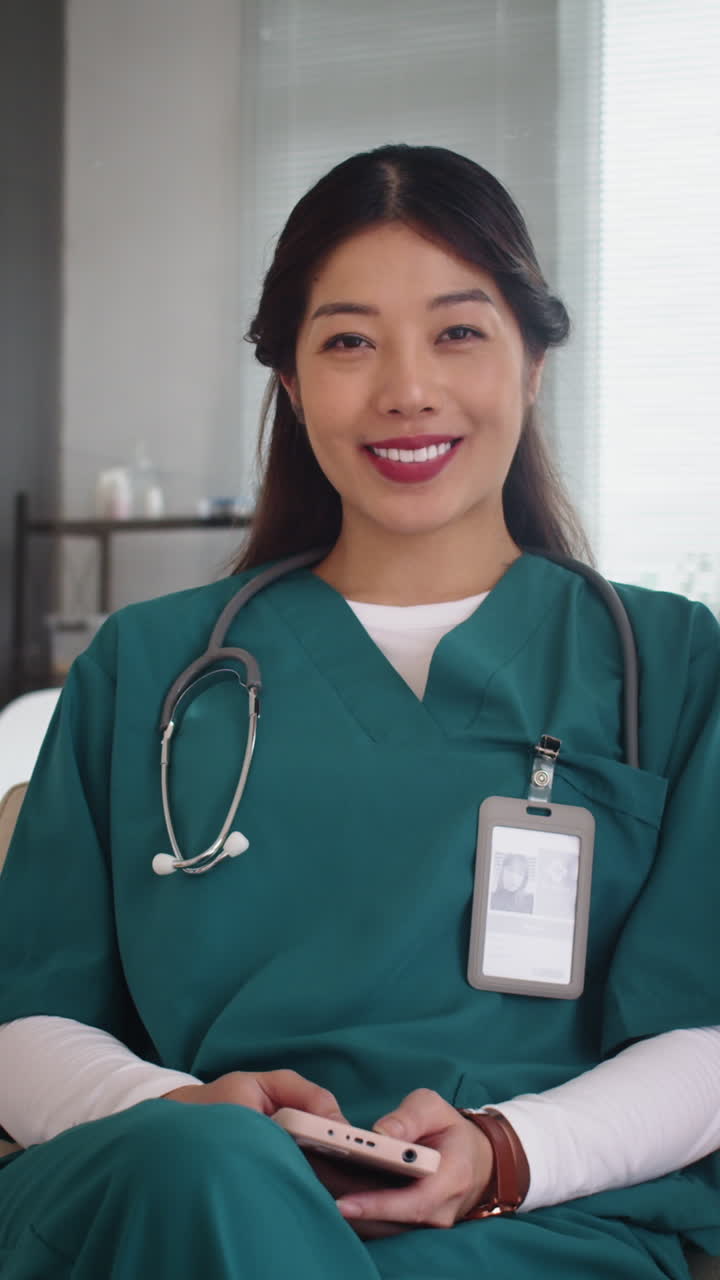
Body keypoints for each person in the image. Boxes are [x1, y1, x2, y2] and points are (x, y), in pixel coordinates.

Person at [0, 143, 719, 1279]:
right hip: (170, 1202)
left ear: (533, 361)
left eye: (458, 331)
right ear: (288, 379)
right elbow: (21, 1018)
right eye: (347, 340)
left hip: (527, 1230)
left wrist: (503, 1151)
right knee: (210, 1178)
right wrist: (193, 1111)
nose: (405, 388)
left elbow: (707, 1035)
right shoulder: (149, 664)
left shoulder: (671, 666)